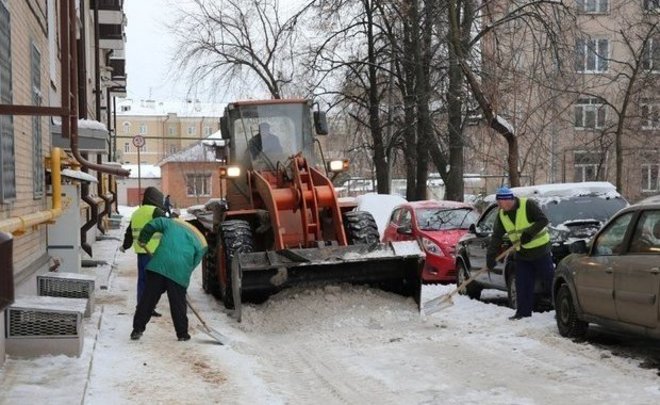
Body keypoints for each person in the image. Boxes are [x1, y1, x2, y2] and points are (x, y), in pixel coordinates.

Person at [130, 216, 208, 341]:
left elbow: (153, 224)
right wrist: (182, 276)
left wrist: (143, 239)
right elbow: (193, 263)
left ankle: (137, 329)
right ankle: (182, 334)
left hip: (158, 266)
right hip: (179, 273)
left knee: (148, 300)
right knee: (178, 304)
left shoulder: (173, 223)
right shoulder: (203, 243)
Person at [486, 186, 553, 320]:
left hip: (541, 250)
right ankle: (523, 313)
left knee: (550, 281)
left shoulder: (527, 205)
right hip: (522, 253)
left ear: (508, 200)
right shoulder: (502, 214)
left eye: (500, 202)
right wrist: (491, 256)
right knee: (522, 283)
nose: (498, 205)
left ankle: (559, 310)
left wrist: (529, 233)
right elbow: (496, 236)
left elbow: (543, 220)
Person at [121, 186, 165, 317]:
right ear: (157, 199)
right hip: (154, 252)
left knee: (143, 281)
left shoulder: (136, 212)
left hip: (141, 252)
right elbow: (167, 226)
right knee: (156, 282)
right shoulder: (156, 211)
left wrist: (125, 246)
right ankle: (148, 307)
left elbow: (129, 231)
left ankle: (143, 306)